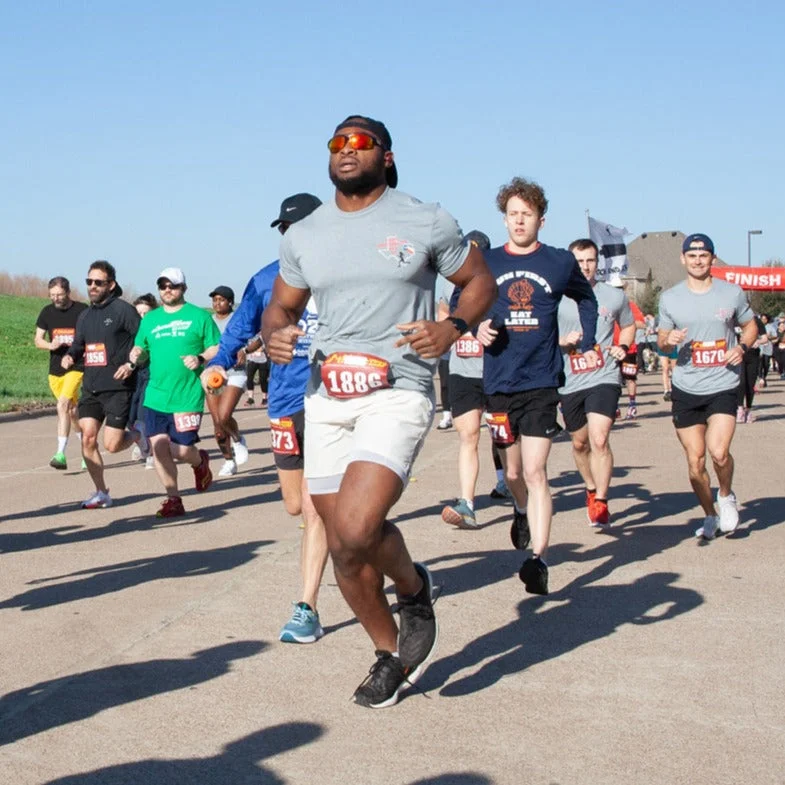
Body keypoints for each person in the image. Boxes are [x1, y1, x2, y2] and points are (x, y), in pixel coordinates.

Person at [262, 115, 496, 708]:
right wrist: (277, 333)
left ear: (386, 156)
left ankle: (414, 587)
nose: (346, 150)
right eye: (337, 143)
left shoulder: (423, 218)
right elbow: (280, 306)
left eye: (359, 143)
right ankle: (391, 650)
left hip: (398, 387)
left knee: (358, 527)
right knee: (342, 545)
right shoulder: (304, 233)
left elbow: (478, 280)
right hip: (326, 398)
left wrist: (452, 326)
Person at [205, 192, 329, 644]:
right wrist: (219, 360)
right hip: (284, 403)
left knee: (317, 508)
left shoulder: (343, 273)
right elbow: (239, 327)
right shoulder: (266, 279)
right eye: (285, 229)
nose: (291, 236)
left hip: (330, 401)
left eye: (300, 227)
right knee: (295, 504)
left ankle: (307, 606)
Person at [478, 177, 597, 596]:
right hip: (498, 381)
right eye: (512, 214)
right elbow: (462, 303)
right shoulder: (487, 261)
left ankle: (539, 560)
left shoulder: (559, 262)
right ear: (504, 218)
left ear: (541, 220)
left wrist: (588, 335)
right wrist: (477, 328)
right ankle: (521, 510)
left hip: (542, 381)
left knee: (535, 470)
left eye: (526, 214)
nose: (519, 221)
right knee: (511, 472)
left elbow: (587, 298)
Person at [657, 234, 758, 539]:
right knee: (695, 461)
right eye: (692, 255)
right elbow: (662, 341)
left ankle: (725, 495)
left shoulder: (732, 294)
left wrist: (741, 347)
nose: (698, 260)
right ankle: (710, 515)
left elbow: (751, 326)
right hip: (686, 387)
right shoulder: (670, 298)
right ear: (683, 259)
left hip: (723, 383)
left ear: (713, 258)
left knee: (719, 452)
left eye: (704, 255)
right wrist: (668, 341)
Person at [129, 268, 220, 517]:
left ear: (184, 289)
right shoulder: (150, 319)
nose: (167, 290)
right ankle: (174, 499)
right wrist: (135, 355)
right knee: (158, 447)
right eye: (163, 285)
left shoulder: (199, 316)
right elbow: (141, 348)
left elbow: (215, 346)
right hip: (156, 395)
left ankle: (200, 460)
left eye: (173, 285)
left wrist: (200, 357)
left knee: (180, 450)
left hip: (187, 396)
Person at [558, 239, 635, 527]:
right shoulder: (556, 298)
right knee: (580, 444)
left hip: (604, 375)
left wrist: (623, 347)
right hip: (570, 379)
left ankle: (601, 501)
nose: (586, 266)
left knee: (599, 438)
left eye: (590, 261)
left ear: (597, 263)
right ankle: (590, 488)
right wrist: (561, 341)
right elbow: (539, 335)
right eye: (579, 261)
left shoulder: (613, 297)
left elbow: (628, 326)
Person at [62, 261, 147, 508]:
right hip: (91, 387)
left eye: (98, 282)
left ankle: (138, 436)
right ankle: (101, 492)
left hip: (119, 388)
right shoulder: (85, 315)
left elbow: (142, 341)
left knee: (111, 444)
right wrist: (71, 354)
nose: (92, 286)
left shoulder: (124, 311)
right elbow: (79, 344)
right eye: (89, 281)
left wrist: (131, 364)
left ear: (111, 285)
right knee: (88, 439)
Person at [440, 230, 492, 529]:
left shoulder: (494, 286)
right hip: (463, 370)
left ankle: (511, 485)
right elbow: (443, 314)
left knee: (504, 439)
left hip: (495, 371)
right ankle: (467, 503)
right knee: (469, 435)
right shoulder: (450, 288)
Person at [34, 276, 88, 470]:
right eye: (52, 295)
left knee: (62, 404)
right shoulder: (47, 312)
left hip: (77, 366)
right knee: (72, 411)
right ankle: (87, 450)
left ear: (68, 292)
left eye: (59, 294)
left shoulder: (82, 310)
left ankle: (60, 454)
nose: (56, 298)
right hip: (55, 370)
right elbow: (38, 340)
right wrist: (51, 344)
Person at [206, 286, 250, 477]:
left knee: (224, 416)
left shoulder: (239, 319)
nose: (217, 303)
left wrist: (245, 350)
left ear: (231, 302)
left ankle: (238, 439)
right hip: (214, 374)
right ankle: (228, 461)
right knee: (217, 424)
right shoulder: (208, 322)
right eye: (215, 300)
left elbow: (256, 339)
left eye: (222, 300)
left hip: (235, 372)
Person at [129, 293, 158, 470]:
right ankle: (141, 443)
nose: (141, 317)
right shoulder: (130, 329)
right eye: (138, 313)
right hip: (133, 374)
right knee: (129, 417)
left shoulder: (156, 330)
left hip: (151, 373)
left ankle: (151, 453)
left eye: (145, 313)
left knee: (143, 415)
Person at [735, 315, 767, 423]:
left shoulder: (756, 321)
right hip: (739, 355)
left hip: (753, 356)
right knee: (741, 382)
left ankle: (748, 410)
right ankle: (739, 409)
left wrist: (758, 342)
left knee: (750, 384)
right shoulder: (735, 321)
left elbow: (764, 338)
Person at [244, 335, 269, 407]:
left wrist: (259, 348)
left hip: (263, 360)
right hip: (251, 360)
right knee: (249, 378)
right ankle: (250, 399)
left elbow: (264, 345)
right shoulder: (249, 334)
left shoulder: (263, 333)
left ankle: (265, 399)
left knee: (263, 380)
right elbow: (245, 346)